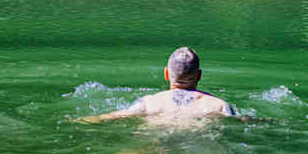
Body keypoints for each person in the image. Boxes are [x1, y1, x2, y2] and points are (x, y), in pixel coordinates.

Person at [78, 47, 239, 122]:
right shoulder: (218, 106)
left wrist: (85, 119)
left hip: (159, 142)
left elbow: (115, 116)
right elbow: (241, 122)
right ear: (199, 75)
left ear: (166, 74)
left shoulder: (149, 103)